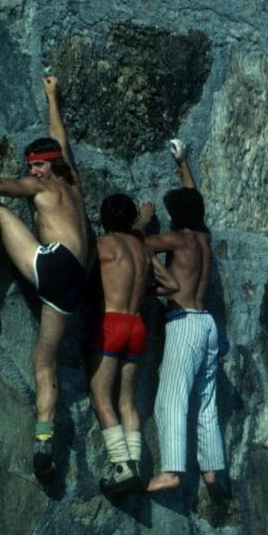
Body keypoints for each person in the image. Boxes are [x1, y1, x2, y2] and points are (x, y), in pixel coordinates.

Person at [0, 75, 90, 480]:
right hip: (75, 284)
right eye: (30, 166)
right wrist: (52, 96)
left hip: (55, 263)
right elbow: (59, 140)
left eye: (37, 166)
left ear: (47, 169)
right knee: (43, 361)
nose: (32, 171)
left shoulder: (42, 186)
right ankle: (44, 442)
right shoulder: (73, 186)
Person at [134, 140, 227, 493]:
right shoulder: (203, 236)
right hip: (207, 323)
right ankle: (213, 470)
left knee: (170, 398)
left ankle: (173, 469)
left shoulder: (178, 239)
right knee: (205, 403)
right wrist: (183, 162)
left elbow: (136, 244)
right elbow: (194, 196)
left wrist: (144, 219)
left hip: (185, 323)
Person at [88, 194, 178, 494]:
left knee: (101, 397)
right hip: (137, 325)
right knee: (127, 399)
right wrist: (144, 288)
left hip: (111, 322)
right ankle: (136, 464)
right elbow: (171, 285)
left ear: (103, 218)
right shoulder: (142, 249)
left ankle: (121, 464)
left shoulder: (101, 246)